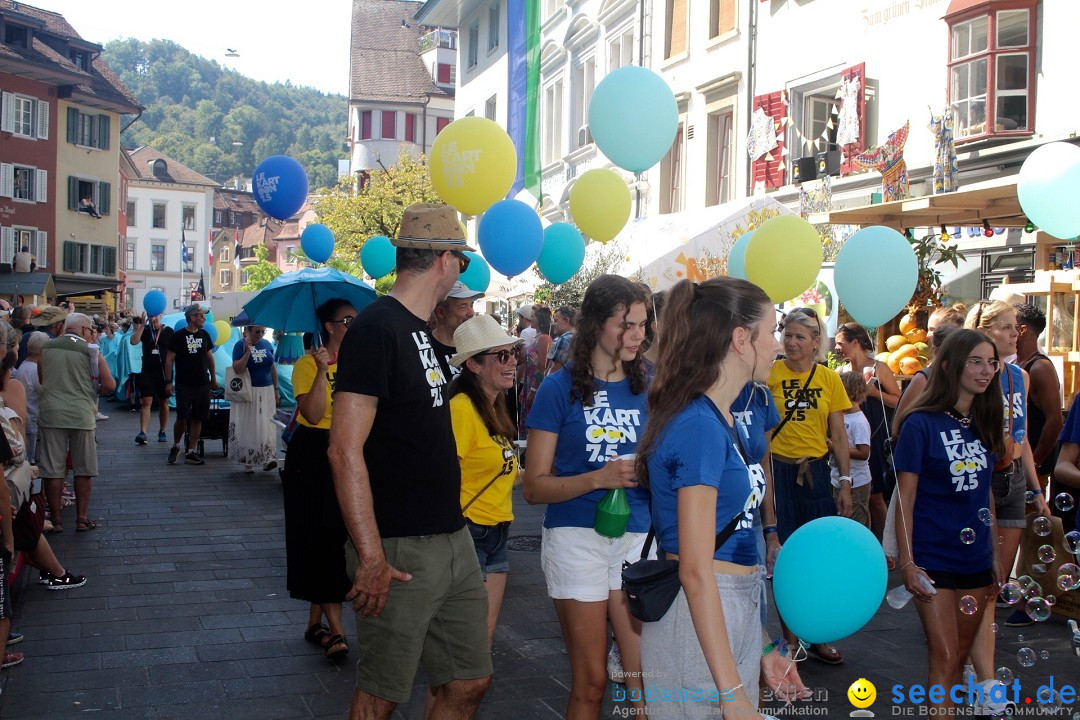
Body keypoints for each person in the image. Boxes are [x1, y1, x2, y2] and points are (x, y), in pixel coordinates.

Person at [328, 203, 491, 720]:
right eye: (461, 263)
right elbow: (343, 448)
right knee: (381, 694)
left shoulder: (421, 329)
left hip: (450, 536)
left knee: (469, 679)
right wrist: (371, 555)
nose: (461, 274)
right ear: (446, 260)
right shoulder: (378, 328)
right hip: (399, 547)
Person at [635, 277, 781, 720]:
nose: (777, 345)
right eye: (771, 331)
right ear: (741, 340)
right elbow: (697, 571)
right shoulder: (698, 425)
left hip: (723, 615)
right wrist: (731, 692)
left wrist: (764, 647)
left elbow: (725, 548)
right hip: (694, 626)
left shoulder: (720, 420)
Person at [523, 274, 650, 719]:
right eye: (627, 324)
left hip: (639, 540)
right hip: (577, 538)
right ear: (596, 324)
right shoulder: (559, 388)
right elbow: (534, 486)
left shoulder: (652, 384)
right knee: (592, 682)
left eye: (642, 324)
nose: (638, 335)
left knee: (645, 683)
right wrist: (598, 478)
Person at [894, 329, 1005, 712]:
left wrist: (993, 554)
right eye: (975, 361)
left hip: (974, 560)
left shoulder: (985, 422)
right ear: (949, 365)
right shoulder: (919, 425)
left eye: (991, 362)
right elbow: (905, 500)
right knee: (942, 656)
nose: (986, 370)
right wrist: (908, 563)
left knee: (959, 657)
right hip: (932, 557)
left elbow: (985, 494)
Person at [768, 306, 851, 665]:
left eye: (800, 336)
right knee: (785, 556)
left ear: (817, 342)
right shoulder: (769, 374)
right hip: (780, 473)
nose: (792, 342)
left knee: (818, 556)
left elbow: (839, 434)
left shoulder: (829, 378)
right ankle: (789, 640)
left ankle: (818, 633)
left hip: (816, 474)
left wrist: (845, 482)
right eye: (787, 334)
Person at [285, 300, 355, 662]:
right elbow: (311, 414)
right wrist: (320, 370)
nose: (353, 325)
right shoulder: (306, 364)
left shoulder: (359, 363)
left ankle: (316, 623)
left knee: (333, 536)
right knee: (320, 535)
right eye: (347, 320)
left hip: (346, 450)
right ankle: (337, 631)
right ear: (329, 326)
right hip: (312, 454)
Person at [448, 314, 521, 646]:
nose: (512, 362)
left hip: (498, 531)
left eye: (513, 353)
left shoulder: (496, 407)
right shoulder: (462, 409)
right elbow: (445, 475)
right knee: (467, 640)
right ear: (474, 365)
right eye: (502, 355)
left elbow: (501, 472)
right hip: (469, 533)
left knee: (484, 638)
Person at [38, 313, 115, 533]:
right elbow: (110, 384)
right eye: (91, 330)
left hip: (51, 413)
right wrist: (93, 391)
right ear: (83, 330)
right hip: (81, 414)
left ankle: (56, 520)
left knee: (53, 470)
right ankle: (81, 519)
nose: (92, 335)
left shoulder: (47, 347)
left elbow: (42, 379)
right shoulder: (91, 351)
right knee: (83, 468)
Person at [834, 322, 901, 539]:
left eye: (840, 343)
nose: (837, 348)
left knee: (875, 495)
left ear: (856, 342)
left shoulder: (879, 368)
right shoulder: (840, 371)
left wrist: (872, 392)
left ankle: (883, 545)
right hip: (847, 435)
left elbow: (897, 400)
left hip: (873, 434)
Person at [1013, 303, 1063, 488]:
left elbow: (1055, 421)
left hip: (1031, 473)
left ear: (1023, 330)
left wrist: (1033, 463)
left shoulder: (1040, 367)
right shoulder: (1017, 363)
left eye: (1011, 325)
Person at [163, 305, 218, 466]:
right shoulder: (178, 336)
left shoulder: (204, 334)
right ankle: (176, 445)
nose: (204, 318)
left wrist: (213, 378)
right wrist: (168, 381)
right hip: (184, 384)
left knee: (198, 418)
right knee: (182, 417)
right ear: (192, 317)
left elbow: (210, 359)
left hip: (202, 383)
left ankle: (191, 451)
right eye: (201, 316)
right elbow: (169, 360)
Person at [229, 325, 280, 473]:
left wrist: (276, 388)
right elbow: (237, 369)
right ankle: (249, 459)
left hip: (267, 388)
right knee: (251, 423)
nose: (260, 335)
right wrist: (247, 351)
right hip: (249, 390)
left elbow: (272, 367)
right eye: (257, 332)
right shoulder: (240, 345)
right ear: (248, 331)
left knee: (268, 422)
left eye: (262, 332)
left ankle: (268, 457)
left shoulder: (267, 344)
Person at [831, 372, 873, 528]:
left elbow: (864, 453)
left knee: (856, 521)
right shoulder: (840, 416)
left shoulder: (859, 421)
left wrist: (835, 447)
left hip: (857, 482)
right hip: (837, 479)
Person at [130, 312, 173, 445]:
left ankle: (162, 430)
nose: (153, 319)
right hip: (147, 371)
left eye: (155, 316)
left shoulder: (168, 331)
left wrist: (170, 379)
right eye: (150, 316)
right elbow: (133, 341)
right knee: (146, 401)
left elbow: (173, 353)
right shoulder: (146, 330)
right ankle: (143, 432)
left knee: (163, 402)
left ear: (161, 315)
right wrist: (142, 325)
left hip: (163, 372)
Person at [429, 281, 483, 378]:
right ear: (441, 312)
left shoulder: (476, 347)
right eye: (463, 306)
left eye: (471, 305)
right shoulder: (424, 349)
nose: (471, 312)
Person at [518, 306, 552, 438]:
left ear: (540, 320)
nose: (531, 318)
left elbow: (543, 367)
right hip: (529, 382)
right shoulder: (538, 337)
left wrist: (533, 390)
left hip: (535, 384)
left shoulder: (544, 339)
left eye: (534, 316)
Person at [17, 331, 46, 464]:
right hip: (34, 417)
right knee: (32, 457)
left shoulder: (23, 365)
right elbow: (43, 392)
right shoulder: (35, 369)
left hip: (28, 416)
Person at [546, 306, 576, 376]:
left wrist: (546, 384)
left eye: (556, 321)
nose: (553, 324)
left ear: (566, 320)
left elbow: (556, 368)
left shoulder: (564, 339)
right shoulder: (579, 337)